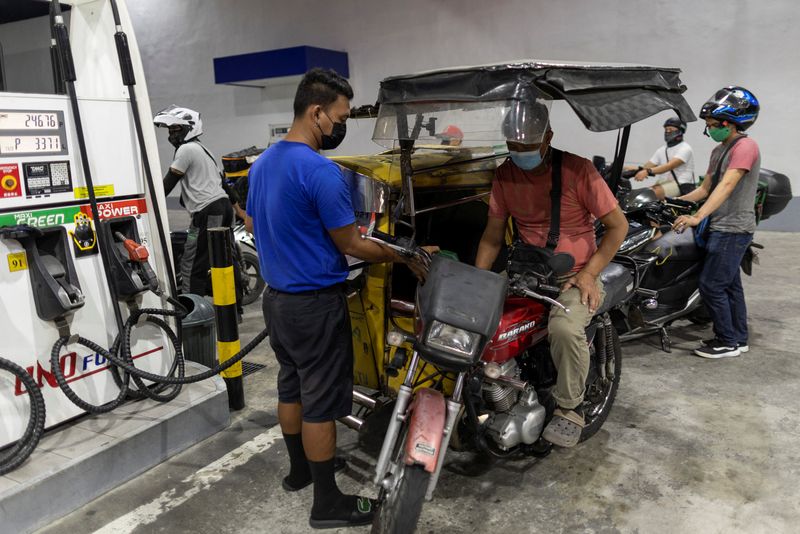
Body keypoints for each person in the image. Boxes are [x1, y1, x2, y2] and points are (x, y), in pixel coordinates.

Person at [245, 68, 435, 529]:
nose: (341, 124)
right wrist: (405, 255)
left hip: (277, 302)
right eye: (340, 116)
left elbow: (254, 225)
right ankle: (327, 503)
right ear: (316, 112)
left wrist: (301, 240)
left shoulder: (263, 163)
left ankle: (298, 474)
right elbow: (352, 243)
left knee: (290, 385)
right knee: (322, 403)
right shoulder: (321, 171)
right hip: (315, 305)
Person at [475, 100, 628, 448]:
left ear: (548, 139)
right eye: (513, 147)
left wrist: (590, 273)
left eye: (527, 147)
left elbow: (618, 227)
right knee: (475, 320)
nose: (519, 154)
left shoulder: (579, 171)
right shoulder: (505, 173)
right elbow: (492, 235)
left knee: (564, 327)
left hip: (574, 276)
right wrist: (477, 282)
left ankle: (570, 409)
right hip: (528, 272)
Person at [673, 86, 760, 359]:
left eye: (713, 125)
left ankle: (726, 341)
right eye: (708, 126)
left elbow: (727, 186)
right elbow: (705, 189)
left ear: (730, 123)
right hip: (719, 227)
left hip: (733, 228)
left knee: (711, 284)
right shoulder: (718, 151)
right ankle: (738, 338)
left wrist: (697, 216)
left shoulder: (746, 146)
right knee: (730, 285)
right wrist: (672, 204)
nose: (710, 130)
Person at [153, 105, 242, 300]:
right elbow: (225, 185)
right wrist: (240, 211)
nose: (171, 134)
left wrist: (148, 204)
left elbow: (168, 184)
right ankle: (234, 307)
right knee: (224, 258)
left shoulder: (186, 149)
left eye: (176, 129)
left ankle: (192, 311)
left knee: (192, 264)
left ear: (189, 128)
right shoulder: (204, 150)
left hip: (208, 210)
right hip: (223, 208)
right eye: (170, 130)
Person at [629, 117, 695, 199]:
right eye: (666, 130)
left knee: (648, 195)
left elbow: (669, 166)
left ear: (680, 131)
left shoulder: (685, 148)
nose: (667, 132)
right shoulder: (662, 150)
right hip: (663, 183)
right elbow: (645, 167)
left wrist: (647, 171)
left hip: (680, 184)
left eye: (670, 129)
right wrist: (622, 168)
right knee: (639, 195)